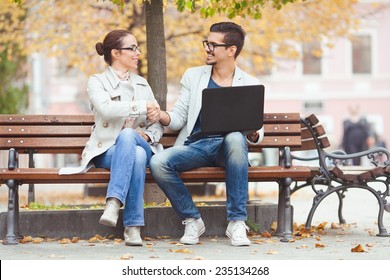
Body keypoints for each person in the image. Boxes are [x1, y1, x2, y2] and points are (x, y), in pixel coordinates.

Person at [149, 22, 264, 246]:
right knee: (158, 161)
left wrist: (252, 134)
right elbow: (179, 118)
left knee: (235, 137)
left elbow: (258, 128)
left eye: (213, 45)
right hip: (195, 147)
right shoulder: (193, 76)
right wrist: (161, 115)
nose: (207, 48)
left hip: (229, 148)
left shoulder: (250, 82)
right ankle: (192, 219)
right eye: (207, 43)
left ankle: (237, 222)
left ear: (231, 50)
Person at [60, 30, 163, 246]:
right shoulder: (97, 82)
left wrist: (149, 132)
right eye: (132, 48)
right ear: (116, 53)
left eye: (138, 48)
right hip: (106, 150)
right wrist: (143, 106)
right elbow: (106, 109)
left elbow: (156, 124)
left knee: (131, 140)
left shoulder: (142, 84)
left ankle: (114, 202)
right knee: (133, 153)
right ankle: (133, 227)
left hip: (143, 145)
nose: (138, 53)